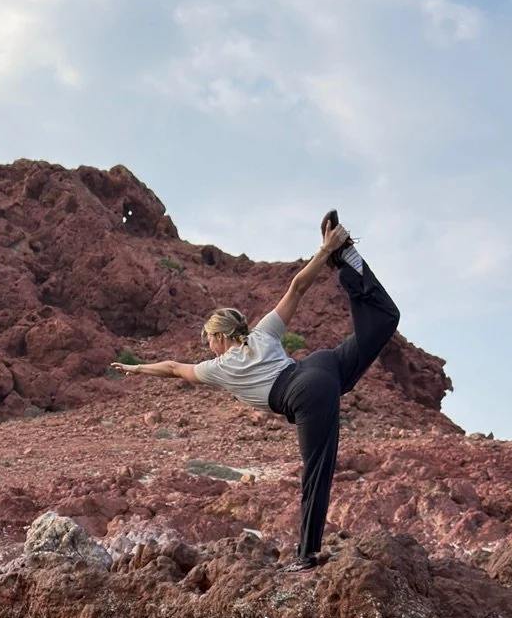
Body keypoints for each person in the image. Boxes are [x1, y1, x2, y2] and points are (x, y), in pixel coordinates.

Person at [111, 213, 400, 570]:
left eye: (208, 339)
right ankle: (348, 261)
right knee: (384, 321)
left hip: (307, 391)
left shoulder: (218, 367)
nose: (208, 346)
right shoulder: (263, 333)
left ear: (219, 337)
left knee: (316, 471)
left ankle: (307, 554)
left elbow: (173, 369)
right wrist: (324, 252)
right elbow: (297, 288)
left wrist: (136, 368)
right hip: (320, 366)